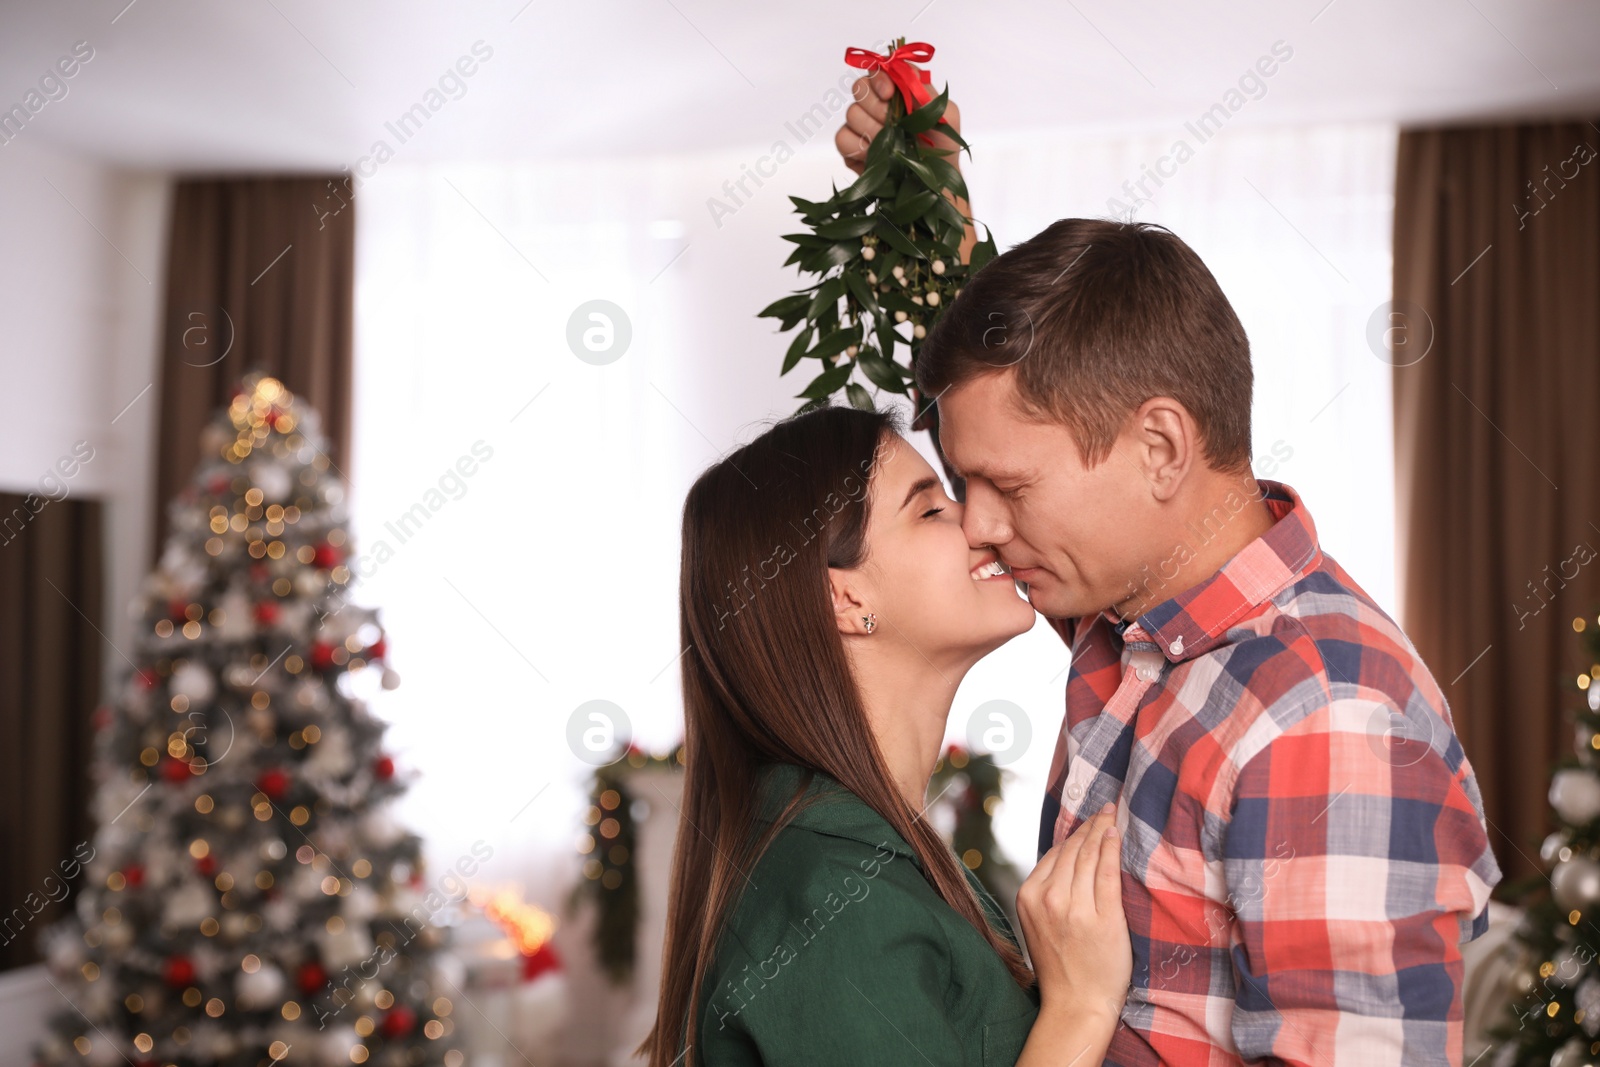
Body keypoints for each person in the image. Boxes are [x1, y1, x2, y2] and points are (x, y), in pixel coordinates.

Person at [834, 67, 1504, 1066]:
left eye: (1006, 491)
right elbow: (1010, 388)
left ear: (1158, 448)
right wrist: (916, 196)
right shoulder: (1141, 618)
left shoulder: (1321, 717)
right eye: (961, 489)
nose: (977, 528)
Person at [638, 404, 1134, 1066]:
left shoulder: (872, 852)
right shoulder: (833, 904)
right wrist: (1079, 1009)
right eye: (931, 510)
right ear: (845, 600)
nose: (981, 523)